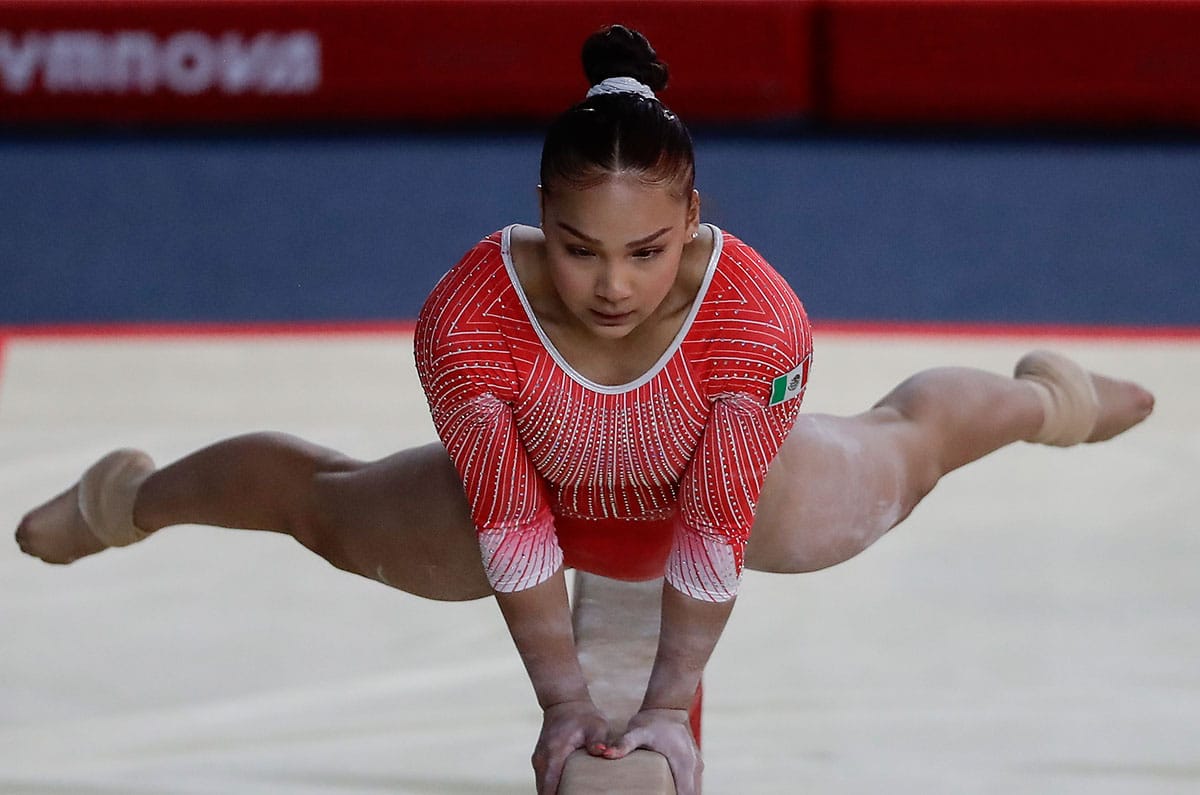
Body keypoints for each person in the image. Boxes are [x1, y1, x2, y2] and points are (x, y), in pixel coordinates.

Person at [14, 24, 1153, 795]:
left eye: (648, 252)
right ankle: (129, 496)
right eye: (578, 248)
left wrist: (665, 714)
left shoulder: (758, 321)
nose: (611, 284)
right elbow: (511, 528)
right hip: (537, 499)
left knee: (888, 466)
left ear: (696, 219)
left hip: (730, 492)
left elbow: (711, 537)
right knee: (328, 508)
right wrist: (564, 709)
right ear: (538, 222)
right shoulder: (469, 315)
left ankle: (1045, 396)